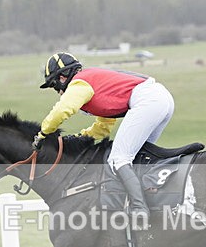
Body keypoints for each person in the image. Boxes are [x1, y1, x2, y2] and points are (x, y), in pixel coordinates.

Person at [35, 52, 175, 228]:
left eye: (55, 86)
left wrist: (43, 132)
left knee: (118, 158)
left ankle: (139, 208)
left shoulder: (79, 84)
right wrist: (82, 137)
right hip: (160, 99)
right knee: (138, 155)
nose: (58, 92)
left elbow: (62, 110)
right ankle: (154, 197)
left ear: (62, 78)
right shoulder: (93, 84)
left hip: (149, 100)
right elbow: (104, 126)